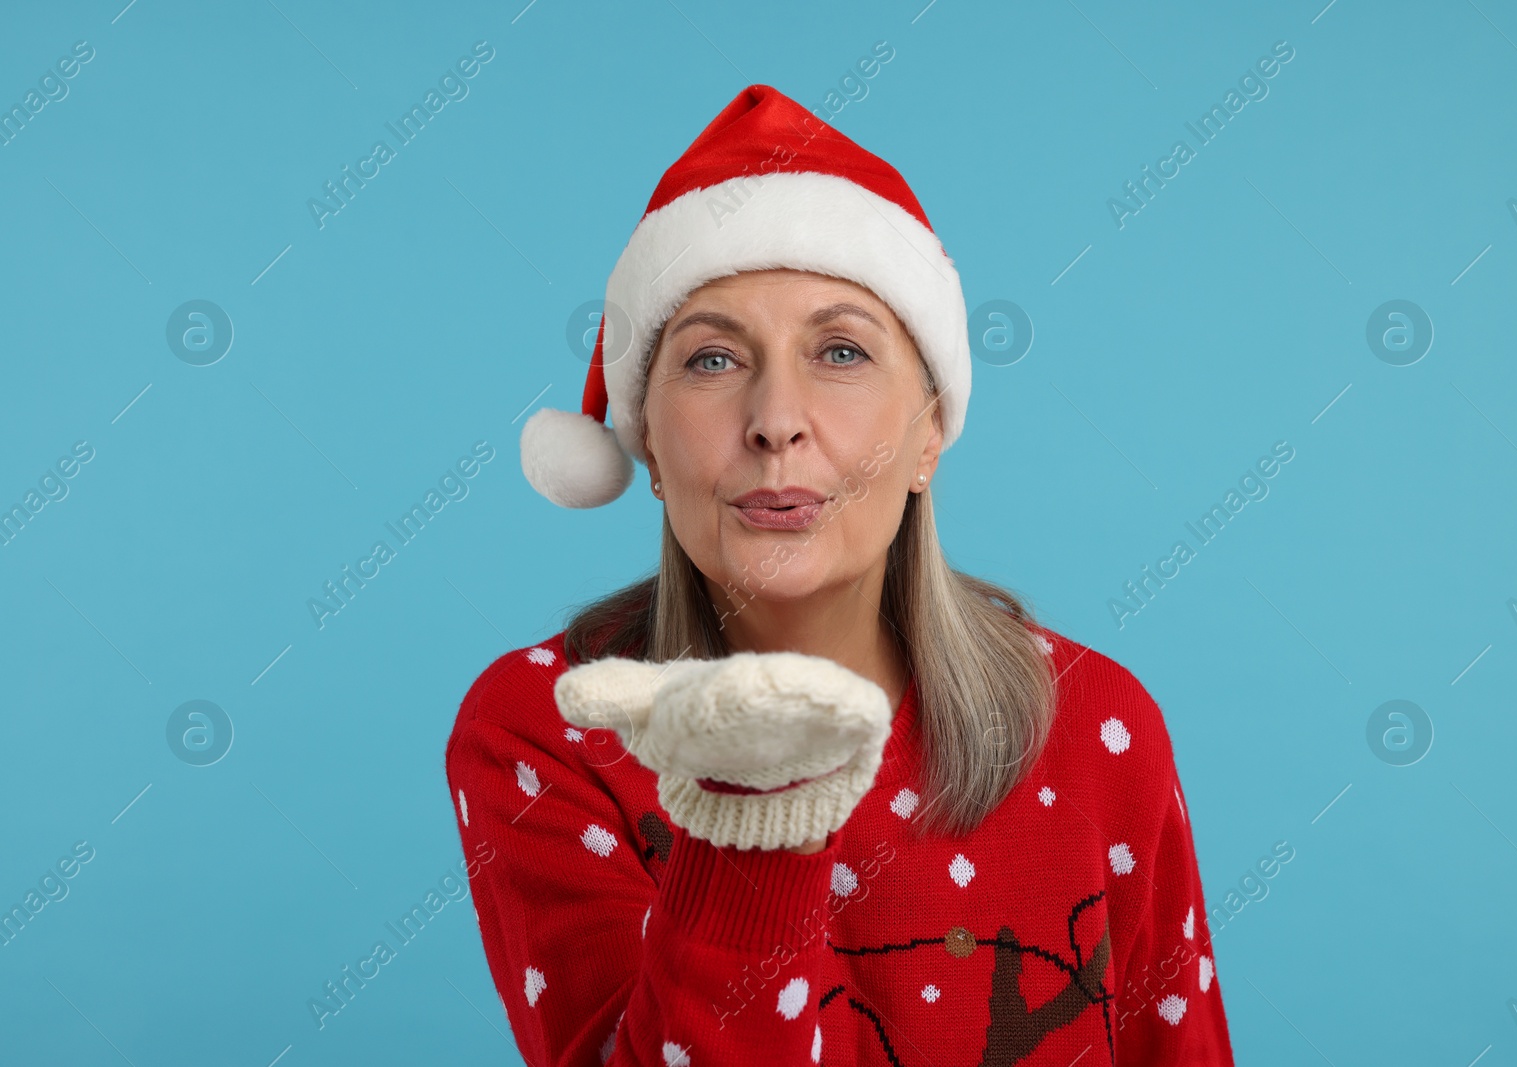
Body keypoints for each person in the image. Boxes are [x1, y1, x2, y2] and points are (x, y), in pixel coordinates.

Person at [444, 83, 1235, 1066]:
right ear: (644, 439)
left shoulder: (1093, 723)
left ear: (929, 434)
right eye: (711, 360)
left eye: (841, 349)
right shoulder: (549, 725)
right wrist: (748, 818)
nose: (776, 417)